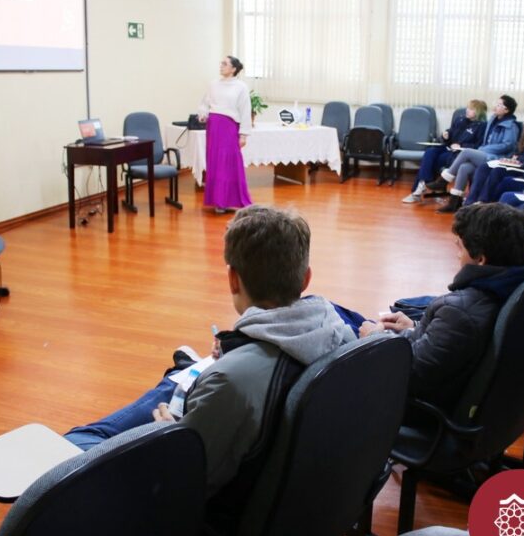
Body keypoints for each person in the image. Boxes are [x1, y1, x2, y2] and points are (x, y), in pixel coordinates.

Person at [65, 205, 356, 500]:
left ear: (233, 279)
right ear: (305, 278)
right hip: (293, 491)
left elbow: (184, 481)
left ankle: (181, 372)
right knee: (178, 378)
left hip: (202, 501)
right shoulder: (340, 333)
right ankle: (183, 369)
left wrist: (167, 437)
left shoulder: (231, 381)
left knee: (78, 441)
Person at [359, 203, 524, 413]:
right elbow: (444, 349)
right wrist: (415, 328)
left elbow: (410, 374)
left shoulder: (460, 312)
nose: (457, 255)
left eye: (460, 248)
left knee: (344, 325)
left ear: (480, 259)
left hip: (412, 408)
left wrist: (374, 339)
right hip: (466, 397)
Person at [426, 95, 520, 213]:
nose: (495, 106)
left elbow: (507, 145)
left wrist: (484, 149)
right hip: (487, 154)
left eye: (499, 105)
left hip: (498, 159)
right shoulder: (493, 120)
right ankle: (454, 203)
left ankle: (444, 180)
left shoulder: (511, 126)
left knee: (466, 152)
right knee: (464, 167)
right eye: (496, 103)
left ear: (506, 110)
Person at [464, 108, 524, 205]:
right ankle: (472, 201)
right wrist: (517, 160)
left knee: (498, 173)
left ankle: (484, 202)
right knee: (485, 168)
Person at [402, 100, 487, 204]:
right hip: (448, 149)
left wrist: (462, 146)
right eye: (468, 108)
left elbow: (479, 146)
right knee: (430, 152)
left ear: (478, 112)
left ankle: (420, 188)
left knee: (431, 162)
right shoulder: (460, 120)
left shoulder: (482, 126)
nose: (467, 110)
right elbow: (450, 133)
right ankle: (425, 183)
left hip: (459, 154)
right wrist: (445, 136)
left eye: (471, 109)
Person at [198, 55, 253, 213]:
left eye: (225, 64)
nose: (221, 66)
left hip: (229, 127)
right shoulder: (213, 84)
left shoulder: (241, 87)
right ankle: (219, 201)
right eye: (221, 63)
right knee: (215, 162)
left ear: (233, 69)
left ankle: (232, 199)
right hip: (214, 127)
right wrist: (203, 114)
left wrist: (243, 134)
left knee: (228, 162)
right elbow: (204, 103)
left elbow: (245, 111)